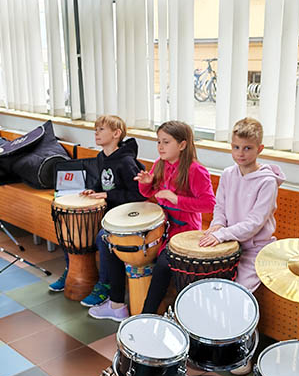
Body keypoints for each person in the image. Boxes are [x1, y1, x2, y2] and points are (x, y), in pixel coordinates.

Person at [89, 120, 216, 321]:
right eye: (158, 142)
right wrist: (146, 184)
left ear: (182, 145)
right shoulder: (159, 164)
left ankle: (146, 317)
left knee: (163, 266)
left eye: (166, 142)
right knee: (112, 242)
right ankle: (116, 304)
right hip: (160, 227)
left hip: (184, 232)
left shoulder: (195, 170)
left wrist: (177, 199)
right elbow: (148, 194)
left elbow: (209, 204)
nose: (160, 147)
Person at [199, 117, 285, 374]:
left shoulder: (267, 182)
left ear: (260, 149)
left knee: (239, 295)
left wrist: (222, 234)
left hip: (256, 249)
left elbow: (255, 223)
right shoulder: (228, 174)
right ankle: (218, 344)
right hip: (229, 244)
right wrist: (217, 225)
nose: (240, 153)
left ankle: (242, 354)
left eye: (247, 148)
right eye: (236, 147)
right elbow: (220, 206)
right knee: (214, 289)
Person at [48, 115, 146, 307]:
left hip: (125, 215)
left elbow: (138, 195)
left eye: (101, 129)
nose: (96, 133)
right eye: (95, 129)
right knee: (70, 226)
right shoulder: (101, 157)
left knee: (102, 238)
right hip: (108, 212)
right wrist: (92, 190)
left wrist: (108, 195)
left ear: (116, 134)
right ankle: (71, 269)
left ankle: (105, 285)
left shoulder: (126, 162)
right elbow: (101, 183)